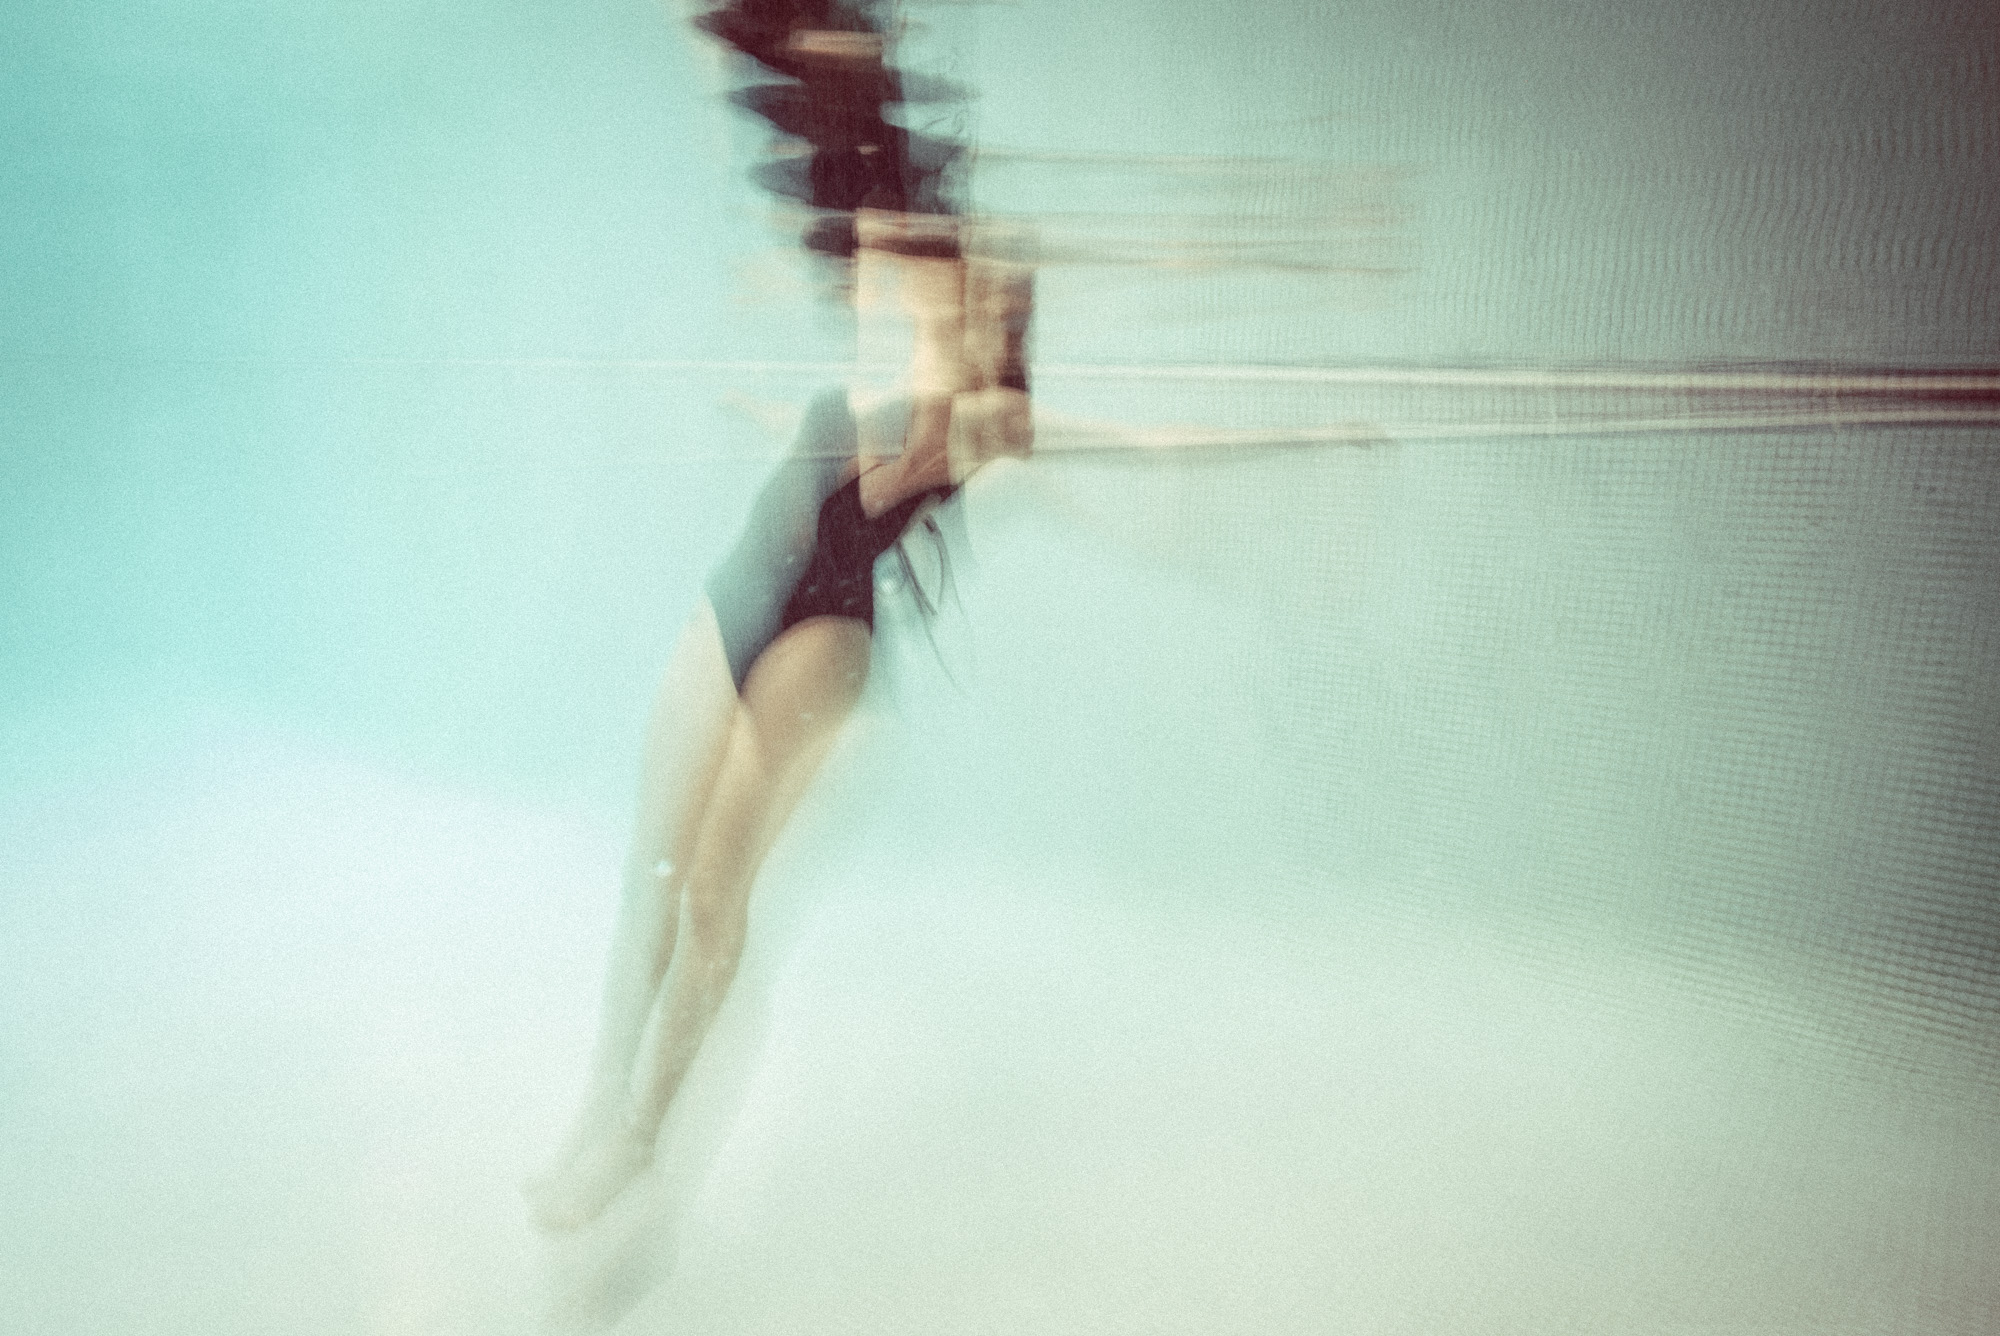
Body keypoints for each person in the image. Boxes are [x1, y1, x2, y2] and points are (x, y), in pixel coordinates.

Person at [524, 204, 1032, 1231]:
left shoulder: (980, 414)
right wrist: (766, 395)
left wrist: (957, 346)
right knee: (652, 870)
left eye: (972, 295)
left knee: (714, 894)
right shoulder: (884, 348)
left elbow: (904, 476)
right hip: (740, 595)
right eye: (946, 281)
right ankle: (601, 1099)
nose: (931, 298)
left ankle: (640, 1137)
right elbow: (834, 406)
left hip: (822, 633)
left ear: (995, 317)